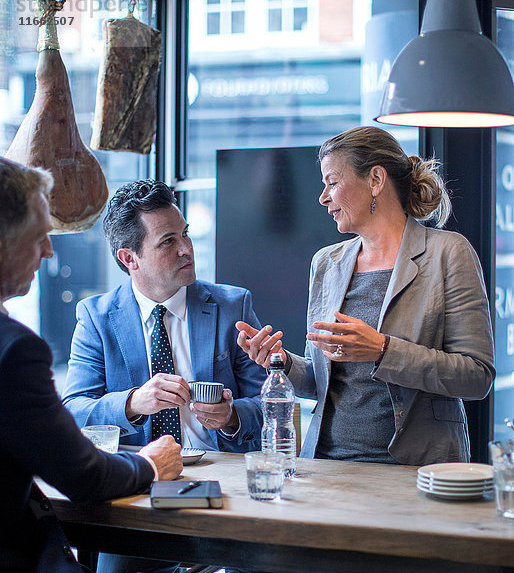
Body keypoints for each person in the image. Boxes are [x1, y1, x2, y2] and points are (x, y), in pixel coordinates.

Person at [236, 125, 495, 467]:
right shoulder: (326, 263)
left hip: (418, 468)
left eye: (332, 182)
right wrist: (281, 361)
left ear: (375, 179)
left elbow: (477, 377)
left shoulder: (448, 253)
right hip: (329, 464)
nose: (323, 197)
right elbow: (320, 381)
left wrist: (383, 350)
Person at [62, 180, 267, 572]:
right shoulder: (96, 317)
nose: (187, 249)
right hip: (141, 490)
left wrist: (233, 417)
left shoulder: (231, 304)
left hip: (225, 488)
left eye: (185, 234)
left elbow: (273, 403)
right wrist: (133, 402)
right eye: (168, 241)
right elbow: (74, 410)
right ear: (129, 258)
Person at [0, 157, 183, 573]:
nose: (49, 251)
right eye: (39, 236)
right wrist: (153, 464)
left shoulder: (231, 304)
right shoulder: (15, 351)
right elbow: (83, 476)